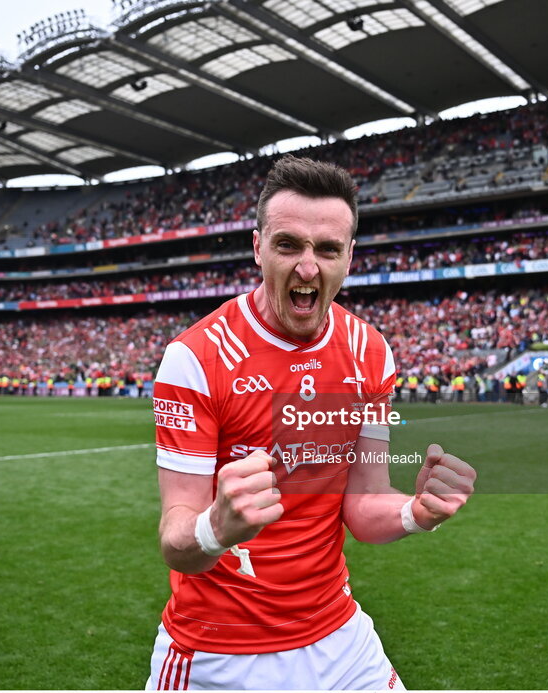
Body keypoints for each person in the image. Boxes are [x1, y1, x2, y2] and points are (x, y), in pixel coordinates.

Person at [147, 156, 477, 690]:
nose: (307, 268)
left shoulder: (368, 351)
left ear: (350, 256)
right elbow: (174, 539)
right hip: (220, 652)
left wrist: (416, 513)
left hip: (339, 637)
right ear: (258, 249)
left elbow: (365, 502)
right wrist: (216, 526)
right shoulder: (196, 358)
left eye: (326, 249)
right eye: (288, 245)